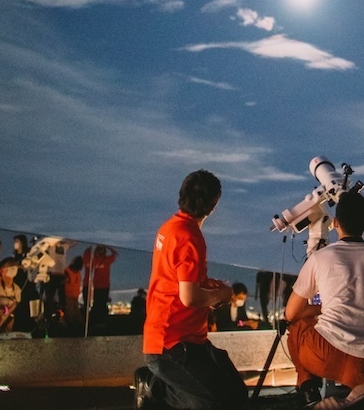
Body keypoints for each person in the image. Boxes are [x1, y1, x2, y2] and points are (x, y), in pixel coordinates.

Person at [285, 192, 364, 410]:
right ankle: (359, 396)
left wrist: (321, 309)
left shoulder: (320, 257)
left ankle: (308, 390)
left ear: (335, 223)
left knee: (296, 327)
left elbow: (291, 313)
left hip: (322, 354)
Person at [135, 170, 247, 410]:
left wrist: (209, 285)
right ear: (213, 204)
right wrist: (223, 295)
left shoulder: (169, 228)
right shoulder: (189, 236)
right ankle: (155, 389)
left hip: (182, 339)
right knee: (219, 404)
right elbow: (190, 297)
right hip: (173, 346)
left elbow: (178, 281)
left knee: (236, 394)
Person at [82, 243, 117, 327]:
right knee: (99, 304)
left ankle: (99, 321)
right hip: (101, 286)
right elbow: (115, 253)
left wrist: (91, 246)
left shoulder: (97, 260)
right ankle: (99, 321)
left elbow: (86, 255)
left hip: (100, 286)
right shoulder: (105, 260)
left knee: (99, 304)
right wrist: (107, 246)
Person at [63, 256, 84, 331]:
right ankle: (70, 328)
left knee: (76, 313)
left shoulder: (77, 273)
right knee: (71, 313)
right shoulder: (67, 272)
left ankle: (76, 328)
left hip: (75, 296)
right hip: (69, 296)